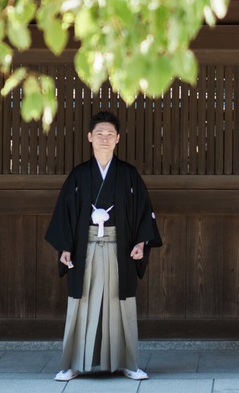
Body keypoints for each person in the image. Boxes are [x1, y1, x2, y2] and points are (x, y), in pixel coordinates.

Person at [45, 110, 157, 382]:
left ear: (118, 138)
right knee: (81, 302)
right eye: (99, 134)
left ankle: (128, 362)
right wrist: (65, 247)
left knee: (122, 304)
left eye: (109, 134)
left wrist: (141, 242)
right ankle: (73, 363)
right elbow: (65, 213)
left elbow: (144, 212)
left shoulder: (128, 175)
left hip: (120, 247)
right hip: (86, 248)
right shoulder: (79, 176)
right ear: (89, 137)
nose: (104, 139)